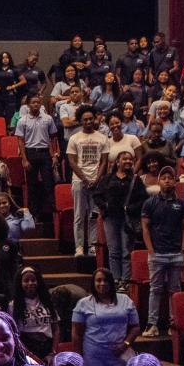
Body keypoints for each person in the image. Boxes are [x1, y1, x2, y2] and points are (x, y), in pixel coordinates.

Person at [139, 166, 184, 337]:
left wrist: (183, 248)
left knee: (174, 290)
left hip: (176, 253)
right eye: (164, 178)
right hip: (157, 253)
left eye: (170, 177)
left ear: (175, 181)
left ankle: (173, 324)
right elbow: (145, 228)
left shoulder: (182, 204)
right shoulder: (150, 203)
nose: (167, 180)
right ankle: (152, 324)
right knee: (155, 289)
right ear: (159, 181)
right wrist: (150, 250)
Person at [72, 268, 140, 366]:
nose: (102, 284)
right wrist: (79, 358)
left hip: (118, 355)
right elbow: (76, 333)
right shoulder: (83, 303)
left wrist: (125, 344)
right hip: (94, 357)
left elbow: (135, 327)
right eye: (98, 280)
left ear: (111, 283)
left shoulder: (125, 300)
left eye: (106, 280)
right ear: (93, 283)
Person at [65, 105, 110, 257]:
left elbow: (104, 162)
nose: (89, 121)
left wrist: (97, 179)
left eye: (91, 119)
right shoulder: (74, 138)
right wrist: (84, 178)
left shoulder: (102, 138)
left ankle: (92, 245)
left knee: (94, 215)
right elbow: (72, 161)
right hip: (79, 181)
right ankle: (79, 247)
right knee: (79, 215)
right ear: (80, 121)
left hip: (97, 181)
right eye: (85, 119)